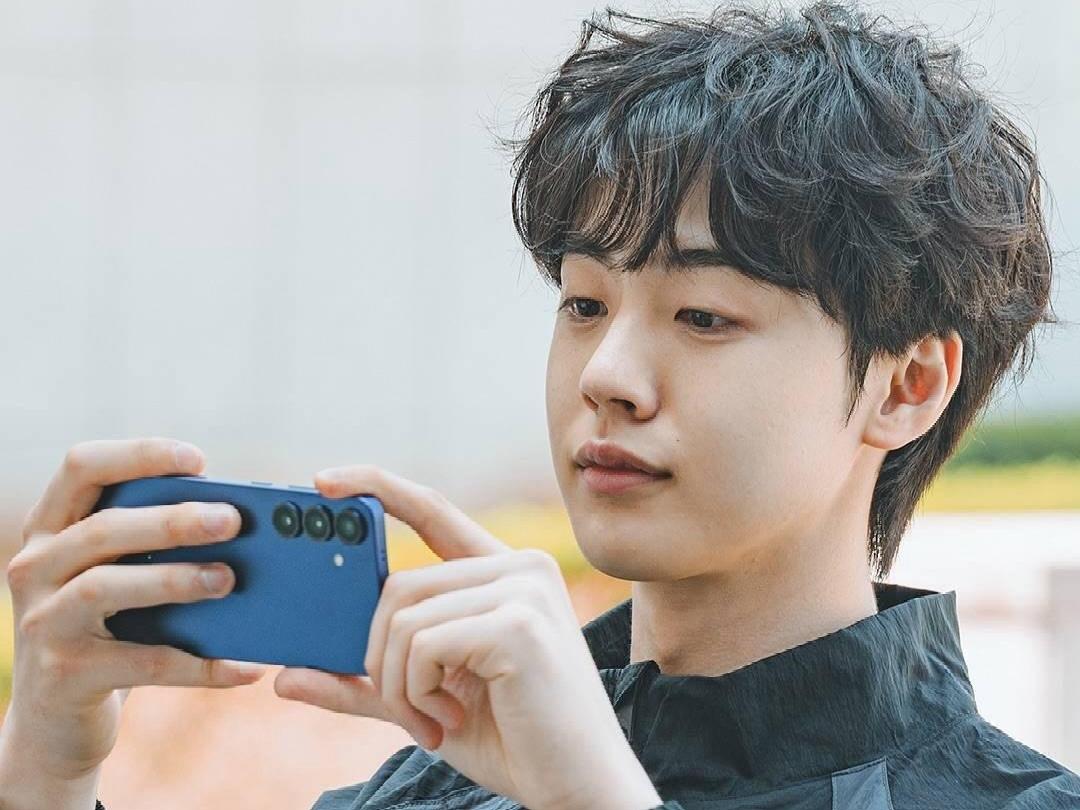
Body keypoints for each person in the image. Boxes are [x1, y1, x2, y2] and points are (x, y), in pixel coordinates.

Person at [2, 2, 1078, 809]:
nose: (607, 372)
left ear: (906, 385)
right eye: (584, 302)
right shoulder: (435, 786)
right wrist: (48, 765)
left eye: (703, 315)